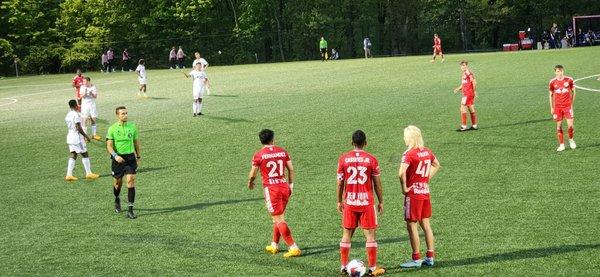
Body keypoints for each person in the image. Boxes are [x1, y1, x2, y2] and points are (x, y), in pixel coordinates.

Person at [337, 130, 385, 276]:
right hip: (366, 203)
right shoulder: (371, 159)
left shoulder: (343, 159)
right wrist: (381, 201)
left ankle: (344, 266)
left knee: (346, 234)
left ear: (352, 142)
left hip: (350, 202)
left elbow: (340, 183)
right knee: (370, 236)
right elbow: (377, 184)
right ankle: (372, 268)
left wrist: (339, 200)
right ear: (365, 143)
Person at [247, 129, 301, 258]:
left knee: (279, 219)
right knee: (278, 217)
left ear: (261, 141)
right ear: (273, 139)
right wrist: (291, 185)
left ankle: (293, 247)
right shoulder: (282, 151)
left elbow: (253, 173)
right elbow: (291, 169)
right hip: (284, 187)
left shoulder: (259, 155)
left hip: (272, 190)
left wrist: (250, 182)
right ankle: (274, 245)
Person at [398, 126, 440, 268]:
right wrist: (425, 178)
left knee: (412, 225)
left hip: (414, 194)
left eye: (405, 136)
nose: (404, 138)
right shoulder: (426, 151)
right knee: (426, 225)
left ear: (409, 138)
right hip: (425, 192)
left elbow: (401, 172)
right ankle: (430, 257)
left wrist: (404, 187)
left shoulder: (408, 154)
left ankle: (416, 259)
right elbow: (436, 164)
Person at [106, 106, 140, 219]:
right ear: (117, 115)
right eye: (123, 114)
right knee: (117, 183)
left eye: (126, 113)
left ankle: (130, 210)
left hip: (130, 158)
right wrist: (115, 156)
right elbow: (109, 146)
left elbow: (136, 142)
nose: (125, 115)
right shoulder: (112, 128)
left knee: (130, 180)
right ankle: (117, 199)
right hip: (118, 159)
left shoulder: (132, 126)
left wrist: (138, 156)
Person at [64, 99, 99, 181]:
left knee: (73, 154)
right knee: (85, 154)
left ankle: (69, 175)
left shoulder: (68, 115)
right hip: (77, 138)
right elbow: (78, 127)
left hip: (70, 136)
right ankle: (89, 173)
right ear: (76, 106)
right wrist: (86, 136)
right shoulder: (76, 115)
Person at [548, 65, 576, 151]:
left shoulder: (569, 80)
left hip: (567, 106)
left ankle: (571, 140)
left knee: (570, 125)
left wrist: (571, 104)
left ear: (563, 71)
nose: (559, 73)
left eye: (561, 71)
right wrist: (552, 107)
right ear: (555, 72)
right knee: (559, 126)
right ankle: (562, 145)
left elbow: (574, 91)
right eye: (558, 71)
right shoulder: (552, 82)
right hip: (557, 107)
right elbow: (550, 95)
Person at [453, 60, 478, 131]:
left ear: (466, 66)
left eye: (464, 65)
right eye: (461, 65)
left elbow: (474, 82)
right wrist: (457, 89)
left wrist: (474, 91)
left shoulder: (468, 73)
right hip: (467, 94)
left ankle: (463, 126)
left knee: (462, 108)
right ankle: (474, 125)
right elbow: (464, 84)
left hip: (468, 94)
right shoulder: (464, 74)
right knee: (471, 108)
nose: (462, 67)